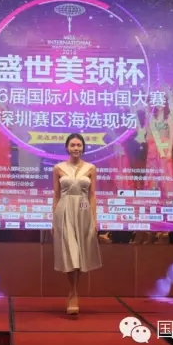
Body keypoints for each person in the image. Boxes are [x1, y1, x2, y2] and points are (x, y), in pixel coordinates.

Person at [52, 133, 102, 315]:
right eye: (72, 145)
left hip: (83, 210)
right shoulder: (58, 168)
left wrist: (94, 219)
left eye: (79, 145)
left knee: (79, 254)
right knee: (70, 252)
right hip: (64, 212)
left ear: (83, 148)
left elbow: (92, 195)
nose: (76, 148)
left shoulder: (91, 168)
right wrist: (53, 219)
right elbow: (56, 195)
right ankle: (73, 292)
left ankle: (74, 291)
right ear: (67, 147)